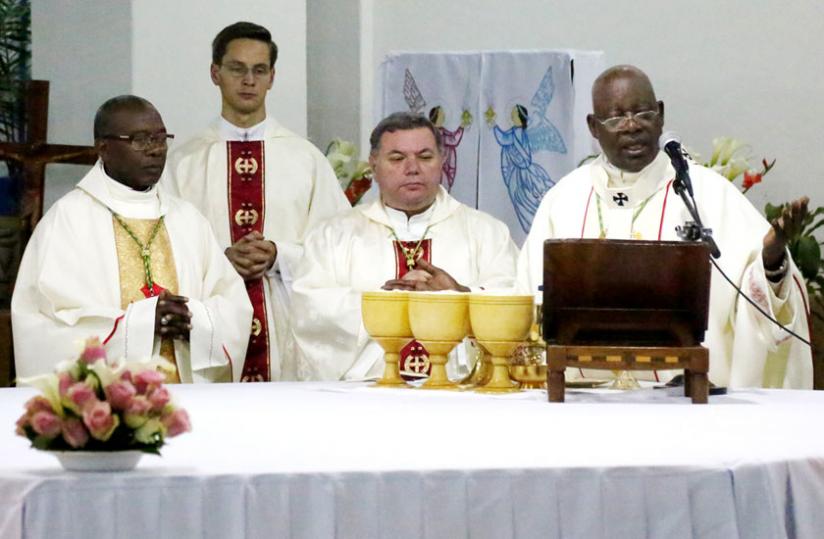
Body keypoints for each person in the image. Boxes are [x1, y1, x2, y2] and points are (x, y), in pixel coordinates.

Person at [518, 65, 812, 389]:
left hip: (686, 405)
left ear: (660, 115)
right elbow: (528, 300)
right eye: (615, 118)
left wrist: (771, 262)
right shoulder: (563, 201)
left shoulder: (707, 195)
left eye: (642, 112)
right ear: (593, 127)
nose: (631, 126)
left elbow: (759, 296)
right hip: (581, 402)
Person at [12, 95, 252, 382]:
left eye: (161, 138)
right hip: (107, 409)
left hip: (187, 400)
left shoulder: (188, 220)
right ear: (103, 148)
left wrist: (194, 318)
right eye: (140, 139)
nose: (155, 150)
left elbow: (233, 304)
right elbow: (44, 328)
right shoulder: (67, 221)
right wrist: (139, 324)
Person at [166, 21, 349, 382]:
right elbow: (166, 248)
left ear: (272, 78)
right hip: (211, 325)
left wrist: (279, 255)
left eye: (259, 70)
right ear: (215, 73)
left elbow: (339, 247)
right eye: (237, 69)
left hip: (286, 323)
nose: (248, 80)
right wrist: (220, 259)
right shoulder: (184, 163)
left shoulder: (306, 160)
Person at [291, 112, 518, 381]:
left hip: (460, 397)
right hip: (364, 397)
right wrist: (387, 304)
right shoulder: (333, 236)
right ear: (374, 165)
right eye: (397, 158)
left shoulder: (487, 233)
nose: (412, 168)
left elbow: (515, 301)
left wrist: (460, 296)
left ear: (442, 161)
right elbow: (311, 311)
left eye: (425, 157)